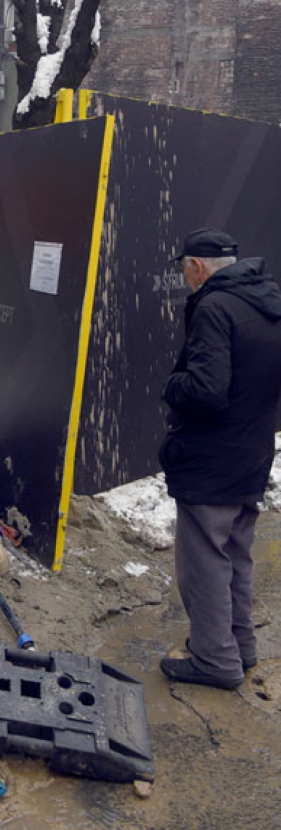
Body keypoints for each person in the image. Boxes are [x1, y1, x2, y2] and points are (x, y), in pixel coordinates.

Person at [159, 227, 281, 690]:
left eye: (185, 270)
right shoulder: (265, 300)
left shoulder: (213, 308)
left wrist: (172, 385)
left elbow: (207, 391)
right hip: (251, 451)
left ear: (196, 267)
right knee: (235, 551)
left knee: (204, 559)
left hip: (211, 458)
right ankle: (239, 646)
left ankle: (214, 660)